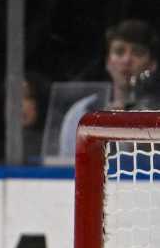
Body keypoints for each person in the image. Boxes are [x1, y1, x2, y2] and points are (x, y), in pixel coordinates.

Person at [57, 19, 157, 156]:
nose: (127, 60)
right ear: (108, 61)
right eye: (119, 51)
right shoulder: (82, 111)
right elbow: (67, 166)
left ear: (152, 65)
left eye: (137, 53)